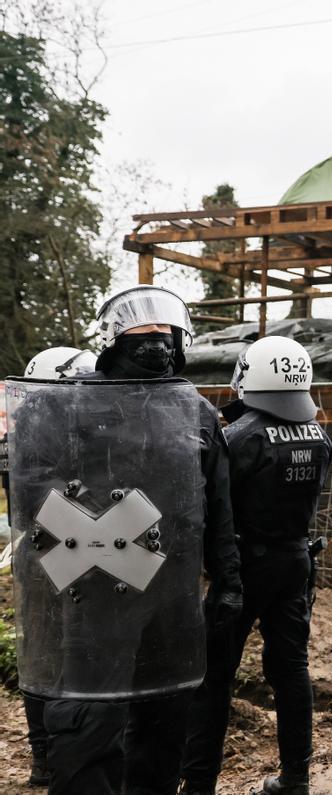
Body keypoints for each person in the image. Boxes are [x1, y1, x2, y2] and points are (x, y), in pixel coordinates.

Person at [8, 285, 243, 795]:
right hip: (93, 590)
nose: (157, 342)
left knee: (164, 720)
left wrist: (229, 580)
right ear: (114, 338)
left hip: (169, 590)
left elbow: (218, 507)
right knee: (90, 722)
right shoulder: (62, 405)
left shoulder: (195, 411)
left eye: (166, 333)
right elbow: (30, 496)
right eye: (143, 332)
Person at [180, 336, 332, 795]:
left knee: (214, 678)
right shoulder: (320, 435)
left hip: (244, 567)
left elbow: (215, 504)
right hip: (295, 561)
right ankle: (296, 778)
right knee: (291, 670)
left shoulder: (238, 438)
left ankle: (200, 783)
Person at [8, 347, 97, 787]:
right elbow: (32, 499)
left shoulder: (32, 425)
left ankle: (54, 753)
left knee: (57, 655)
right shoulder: (35, 430)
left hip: (72, 550)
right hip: (49, 550)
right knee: (46, 657)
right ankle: (47, 755)